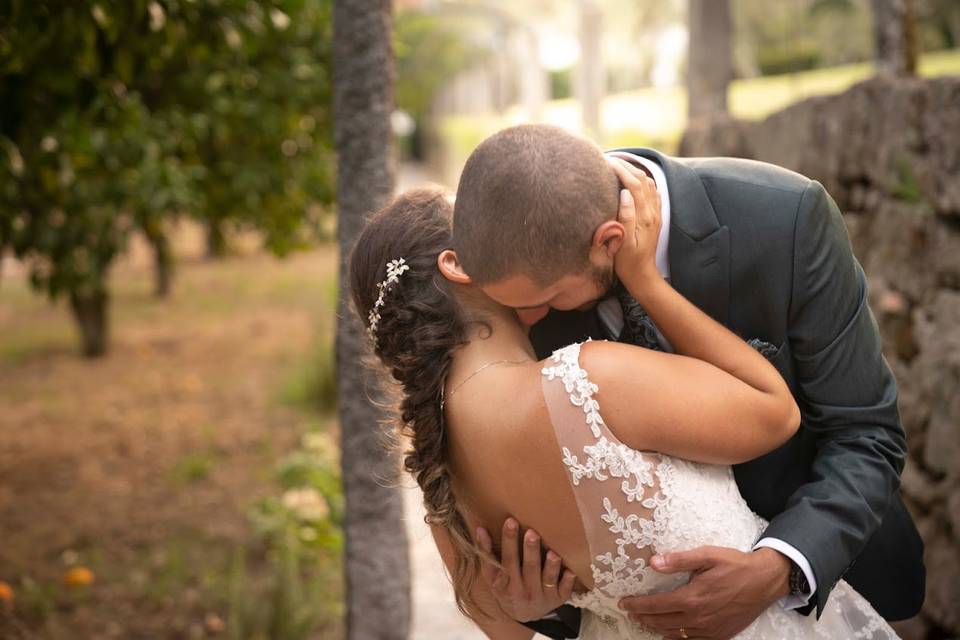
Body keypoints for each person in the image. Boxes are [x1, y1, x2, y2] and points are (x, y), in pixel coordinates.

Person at [348, 183, 900, 639]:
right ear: (461, 264)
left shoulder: (437, 470)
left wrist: (530, 610)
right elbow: (774, 412)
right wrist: (648, 284)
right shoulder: (585, 379)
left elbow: (507, 630)